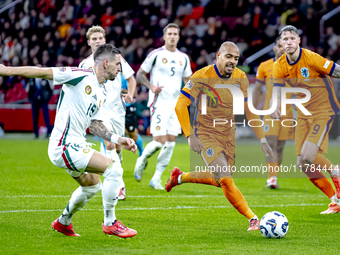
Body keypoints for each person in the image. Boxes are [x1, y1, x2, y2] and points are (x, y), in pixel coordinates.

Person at [0, 44, 138, 238]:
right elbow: (42, 73)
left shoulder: (102, 91)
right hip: (63, 145)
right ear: (106, 63)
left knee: (92, 186)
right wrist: (6, 70)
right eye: (117, 64)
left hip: (77, 144)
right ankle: (110, 222)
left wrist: (119, 139)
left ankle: (63, 222)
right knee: (114, 169)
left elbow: (95, 125)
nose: (119, 69)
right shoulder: (79, 75)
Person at [166, 42, 274, 231]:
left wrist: (262, 139)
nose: (232, 61)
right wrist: (190, 135)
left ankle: (180, 177)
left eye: (236, 58)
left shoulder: (240, 77)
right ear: (218, 56)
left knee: (220, 180)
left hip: (228, 134)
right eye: (228, 57)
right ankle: (253, 218)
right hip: (206, 133)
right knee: (225, 178)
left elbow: (248, 110)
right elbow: (180, 105)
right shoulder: (201, 76)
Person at [270, 25, 340, 214]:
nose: (289, 42)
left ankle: (336, 172)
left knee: (309, 155)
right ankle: (335, 200)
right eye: (285, 39)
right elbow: (277, 89)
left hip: (323, 111)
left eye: (292, 38)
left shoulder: (311, 58)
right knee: (303, 163)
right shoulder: (279, 65)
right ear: (281, 43)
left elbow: (336, 71)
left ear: (299, 40)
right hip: (303, 115)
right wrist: (274, 106)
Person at [79, 25, 136, 200]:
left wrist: (130, 95)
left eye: (100, 38)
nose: (97, 41)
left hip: (118, 111)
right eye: (94, 39)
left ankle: (116, 172)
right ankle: (119, 184)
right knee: (109, 145)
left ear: (105, 40)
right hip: (99, 112)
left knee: (117, 147)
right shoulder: (84, 64)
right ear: (89, 42)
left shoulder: (116, 58)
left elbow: (131, 78)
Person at [134, 23, 193, 189]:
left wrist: (190, 94)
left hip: (176, 105)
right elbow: (139, 74)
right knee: (159, 142)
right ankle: (142, 159)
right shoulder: (156, 54)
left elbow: (188, 79)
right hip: (159, 102)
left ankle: (156, 178)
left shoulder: (184, 57)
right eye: (170, 34)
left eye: (175, 34)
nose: (173, 36)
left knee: (171, 143)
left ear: (178, 37)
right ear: (164, 36)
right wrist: (151, 86)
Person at [253, 37, 294, 189]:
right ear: (274, 48)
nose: (282, 48)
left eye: (284, 46)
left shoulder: (293, 67)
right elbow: (257, 88)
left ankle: (274, 176)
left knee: (280, 147)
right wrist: (252, 108)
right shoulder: (264, 66)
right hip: (270, 112)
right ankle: (272, 178)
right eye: (279, 45)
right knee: (270, 143)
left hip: (287, 112)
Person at [121, 75, 144, 156]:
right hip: (113, 109)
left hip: (128, 108)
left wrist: (119, 90)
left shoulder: (126, 75)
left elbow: (134, 94)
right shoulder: (106, 75)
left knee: (133, 136)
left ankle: (142, 153)